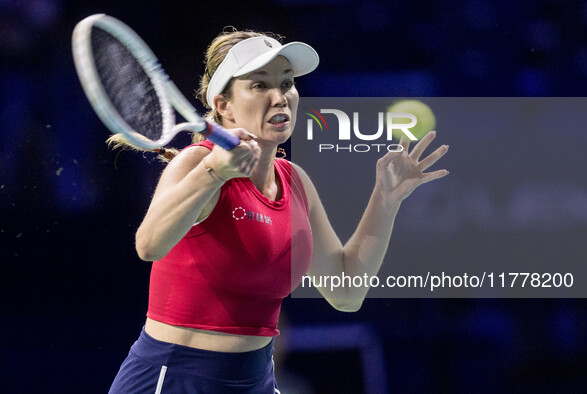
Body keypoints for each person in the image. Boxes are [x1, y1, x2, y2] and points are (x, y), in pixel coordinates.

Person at [108, 28, 448, 394]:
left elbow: (346, 291)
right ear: (223, 105)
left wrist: (386, 199)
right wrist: (214, 173)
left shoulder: (295, 181)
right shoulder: (198, 162)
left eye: (286, 83)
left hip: (256, 381)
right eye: (259, 85)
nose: (280, 97)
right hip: (174, 379)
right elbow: (148, 244)